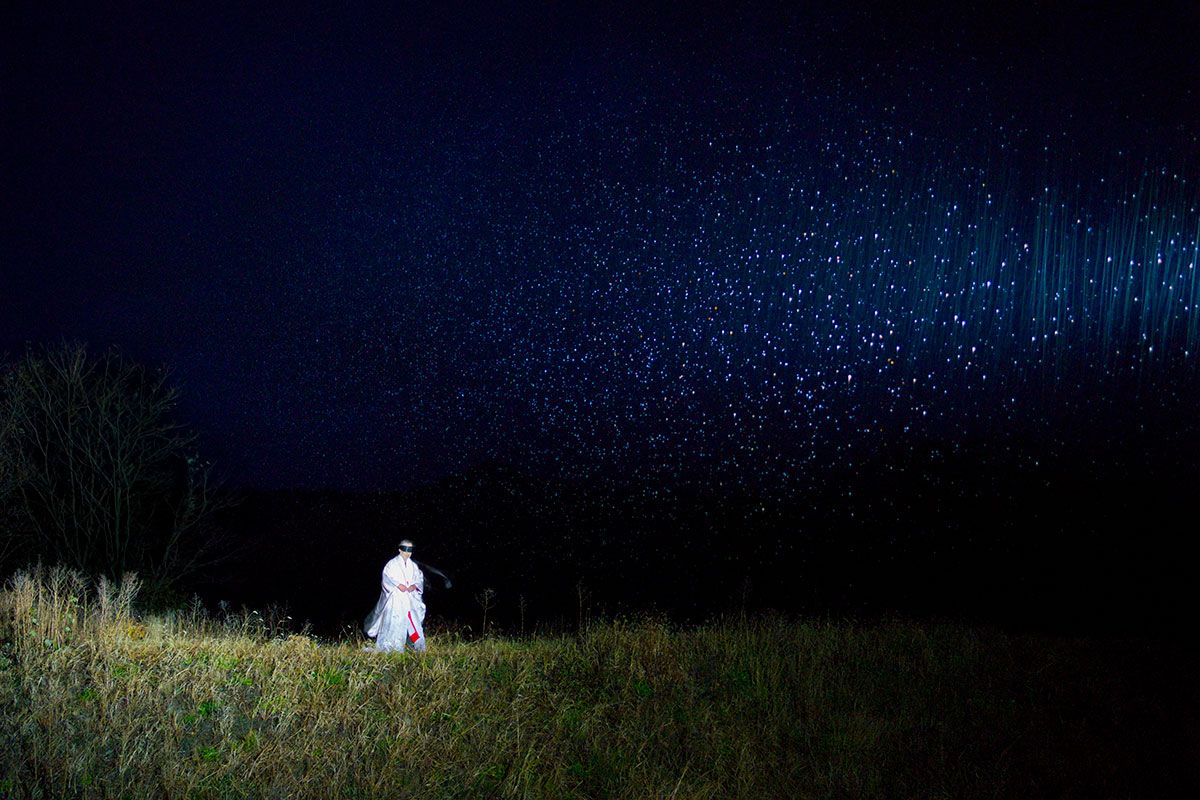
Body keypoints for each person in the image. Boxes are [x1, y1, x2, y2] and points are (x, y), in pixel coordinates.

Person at [364, 539, 426, 652]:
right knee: (395, 622)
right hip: (396, 600)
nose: (408, 552)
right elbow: (387, 578)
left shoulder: (413, 566)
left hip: (410, 600)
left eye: (410, 550)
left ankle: (417, 646)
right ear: (399, 549)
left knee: (413, 623)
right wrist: (398, 585)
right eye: (405, 549)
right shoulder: (392, 564)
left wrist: (414, 586)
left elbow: (419, 579)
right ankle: (392, 647)